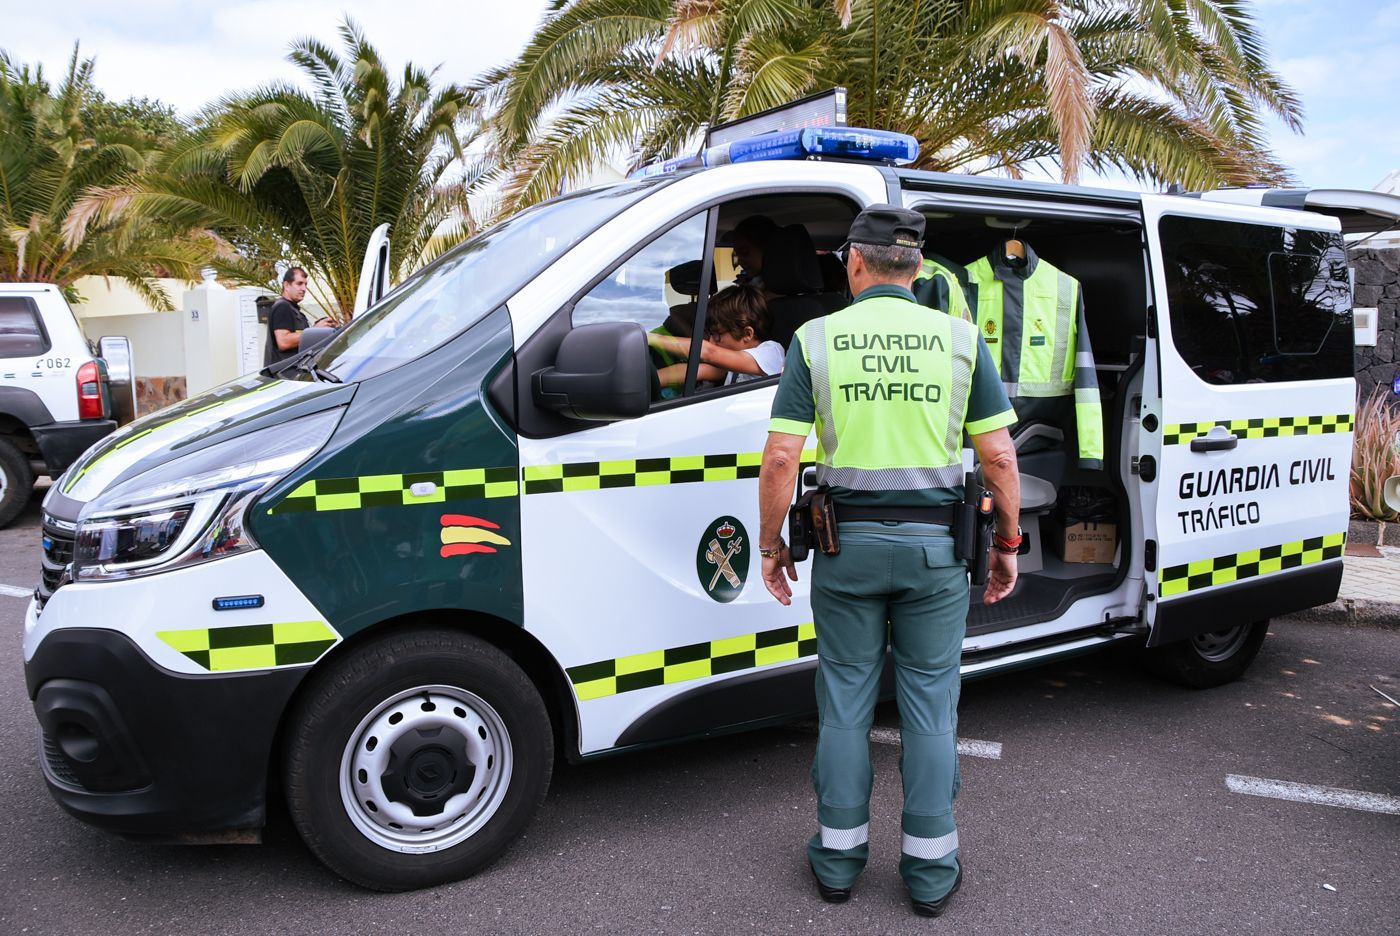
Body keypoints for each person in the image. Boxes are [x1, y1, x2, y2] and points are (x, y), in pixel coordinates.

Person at [756, 205, 1023, 918]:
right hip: (938, 554)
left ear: (854, 263)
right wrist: (1007, 545)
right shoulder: (963, 341)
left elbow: (784, 456)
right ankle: (930, 875)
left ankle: (838, 864)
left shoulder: (816, 339)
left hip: (846, 553)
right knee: (930, 706)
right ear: (916, 266)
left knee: (844, 702)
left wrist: (772, 545)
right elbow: (998, 456)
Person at [649, 284, 783, 389]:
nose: (712, 340)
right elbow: (693, 371)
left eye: (717, 334)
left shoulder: (770, 353)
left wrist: (649, 338)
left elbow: (708, 352)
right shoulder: (732, 361)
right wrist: (648, 382)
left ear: (747, 334)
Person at [264, 267, 332, 367]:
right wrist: (315, 330)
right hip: (283, 375)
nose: (304, 289)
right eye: (299, 284)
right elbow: (283, 342)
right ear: (286, 285)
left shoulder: (293, 309)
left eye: (305, 284)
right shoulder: (282, 307)